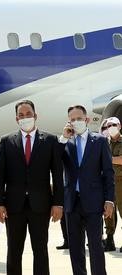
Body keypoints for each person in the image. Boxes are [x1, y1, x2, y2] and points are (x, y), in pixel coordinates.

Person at [0, 100, 63, 275]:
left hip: (40, 206)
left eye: (28, 114)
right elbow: (0, 175)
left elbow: (57, 174)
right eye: (21, 115)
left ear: (35, 115)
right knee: (14, 250)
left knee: (40, 250)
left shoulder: (50, 140)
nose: (25, 118)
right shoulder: (7, 141)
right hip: (13, 206)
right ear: (17, 118)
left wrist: (58, 203)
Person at [59, 105, 114, 275]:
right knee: (75, 248)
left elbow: (108, 172)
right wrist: (63, 139)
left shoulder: (99, 141)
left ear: (87, 120)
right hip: (72, 203)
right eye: (72, 119)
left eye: (79, 119)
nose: (76, 122)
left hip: (94, 202)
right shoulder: (65, 143)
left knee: (96, 246)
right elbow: (53, 162)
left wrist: (109, 200)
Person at [99, 117, 122, 252]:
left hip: (120, 180)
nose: (111, 127)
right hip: (108, 181)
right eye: (108, 126)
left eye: (114, 125)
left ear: (119, 126)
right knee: (108, 211)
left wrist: (107, 159)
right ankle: (110, 239)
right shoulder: (104, 142)